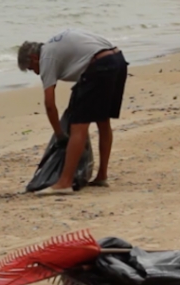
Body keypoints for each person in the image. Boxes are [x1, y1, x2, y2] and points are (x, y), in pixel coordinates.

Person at [17, 29, 129, 195]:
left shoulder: (46, 57)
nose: (35, 72)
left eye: (31, 68)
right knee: (103, 121)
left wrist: (59, 134)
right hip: (117, 60)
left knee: (78, 125)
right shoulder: (54, 45)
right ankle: (102, 175)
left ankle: (65, 182)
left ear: (34, 58)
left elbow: (49, 104)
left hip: (99, 66)